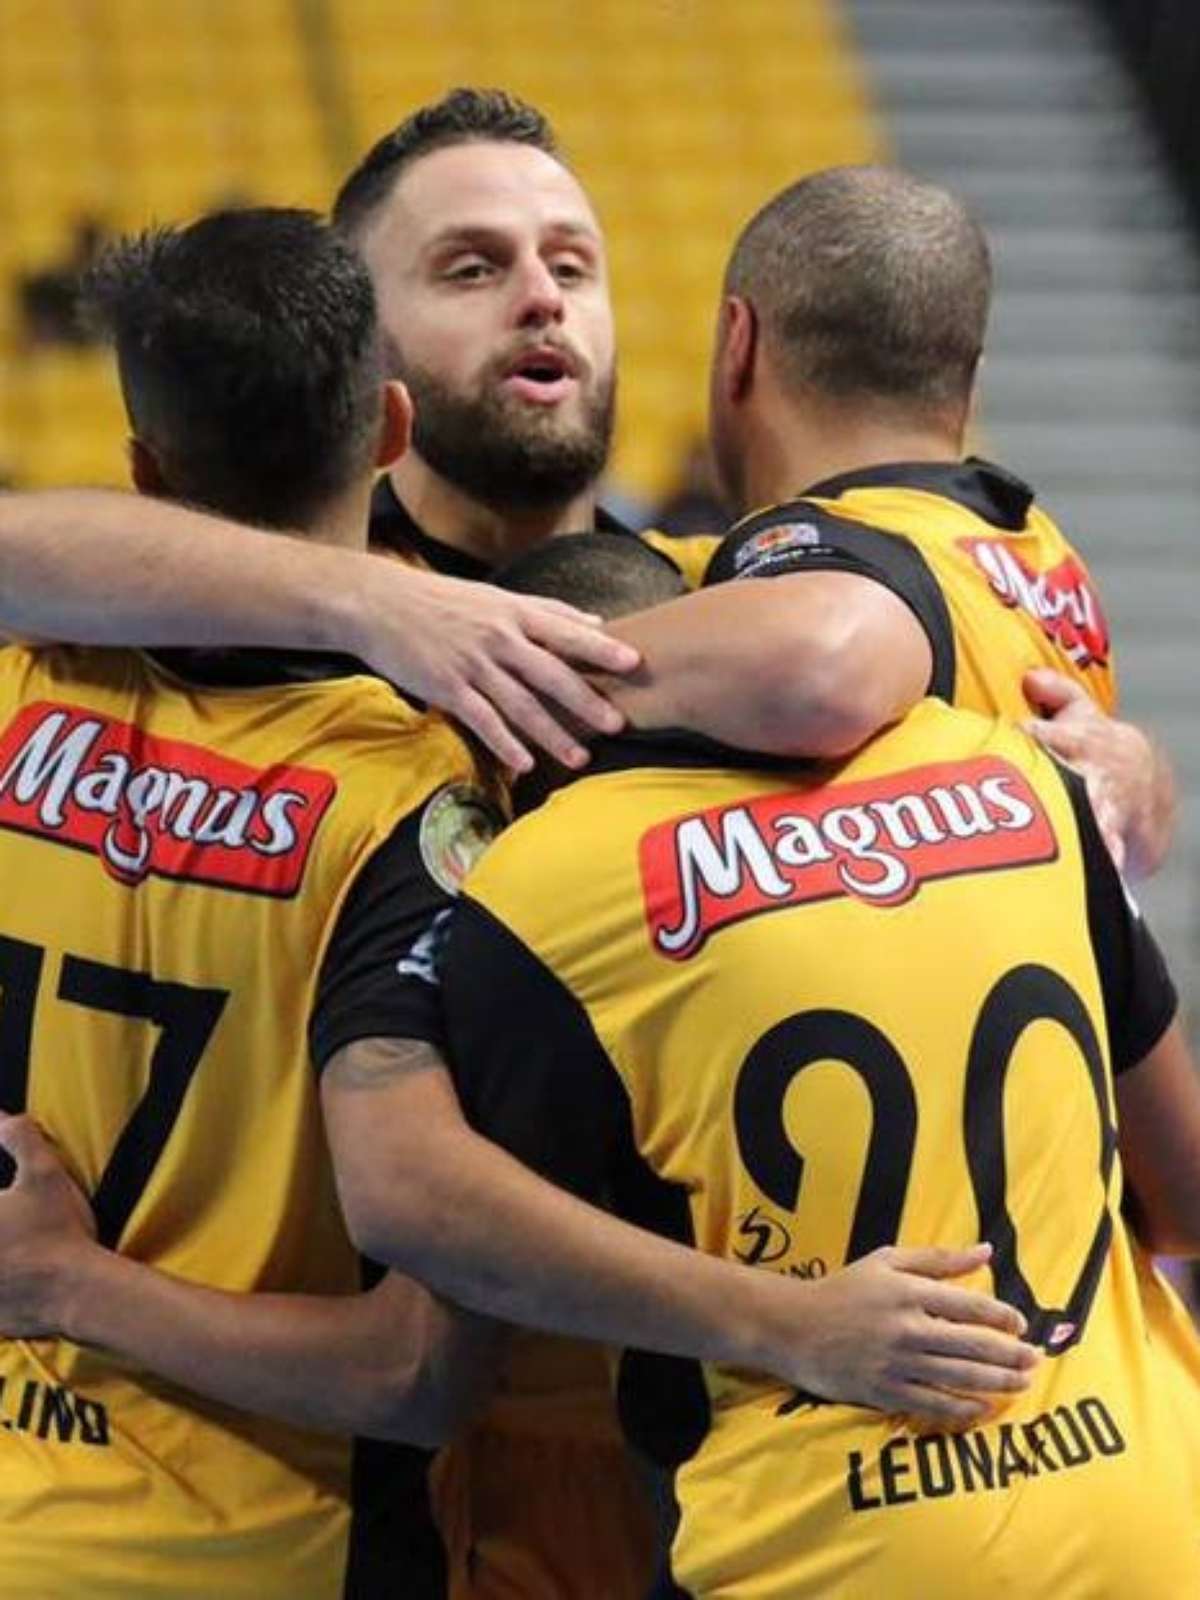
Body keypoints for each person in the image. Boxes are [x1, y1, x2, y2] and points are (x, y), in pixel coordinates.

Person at [0, 210, 1037, 1599]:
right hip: (270, 1544)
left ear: (140, 467)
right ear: (390, 427)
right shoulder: (451, 780)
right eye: (477, 265)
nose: (540, 304)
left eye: (572, 257)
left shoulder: (27, 684)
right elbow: (415, 1363)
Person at [437, 532, 1200, 1598]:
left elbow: (472, 1262)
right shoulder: (1017, 768)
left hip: (819, 1547)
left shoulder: (536, 891)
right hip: (1150, 1514)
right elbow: (1188, 1200)